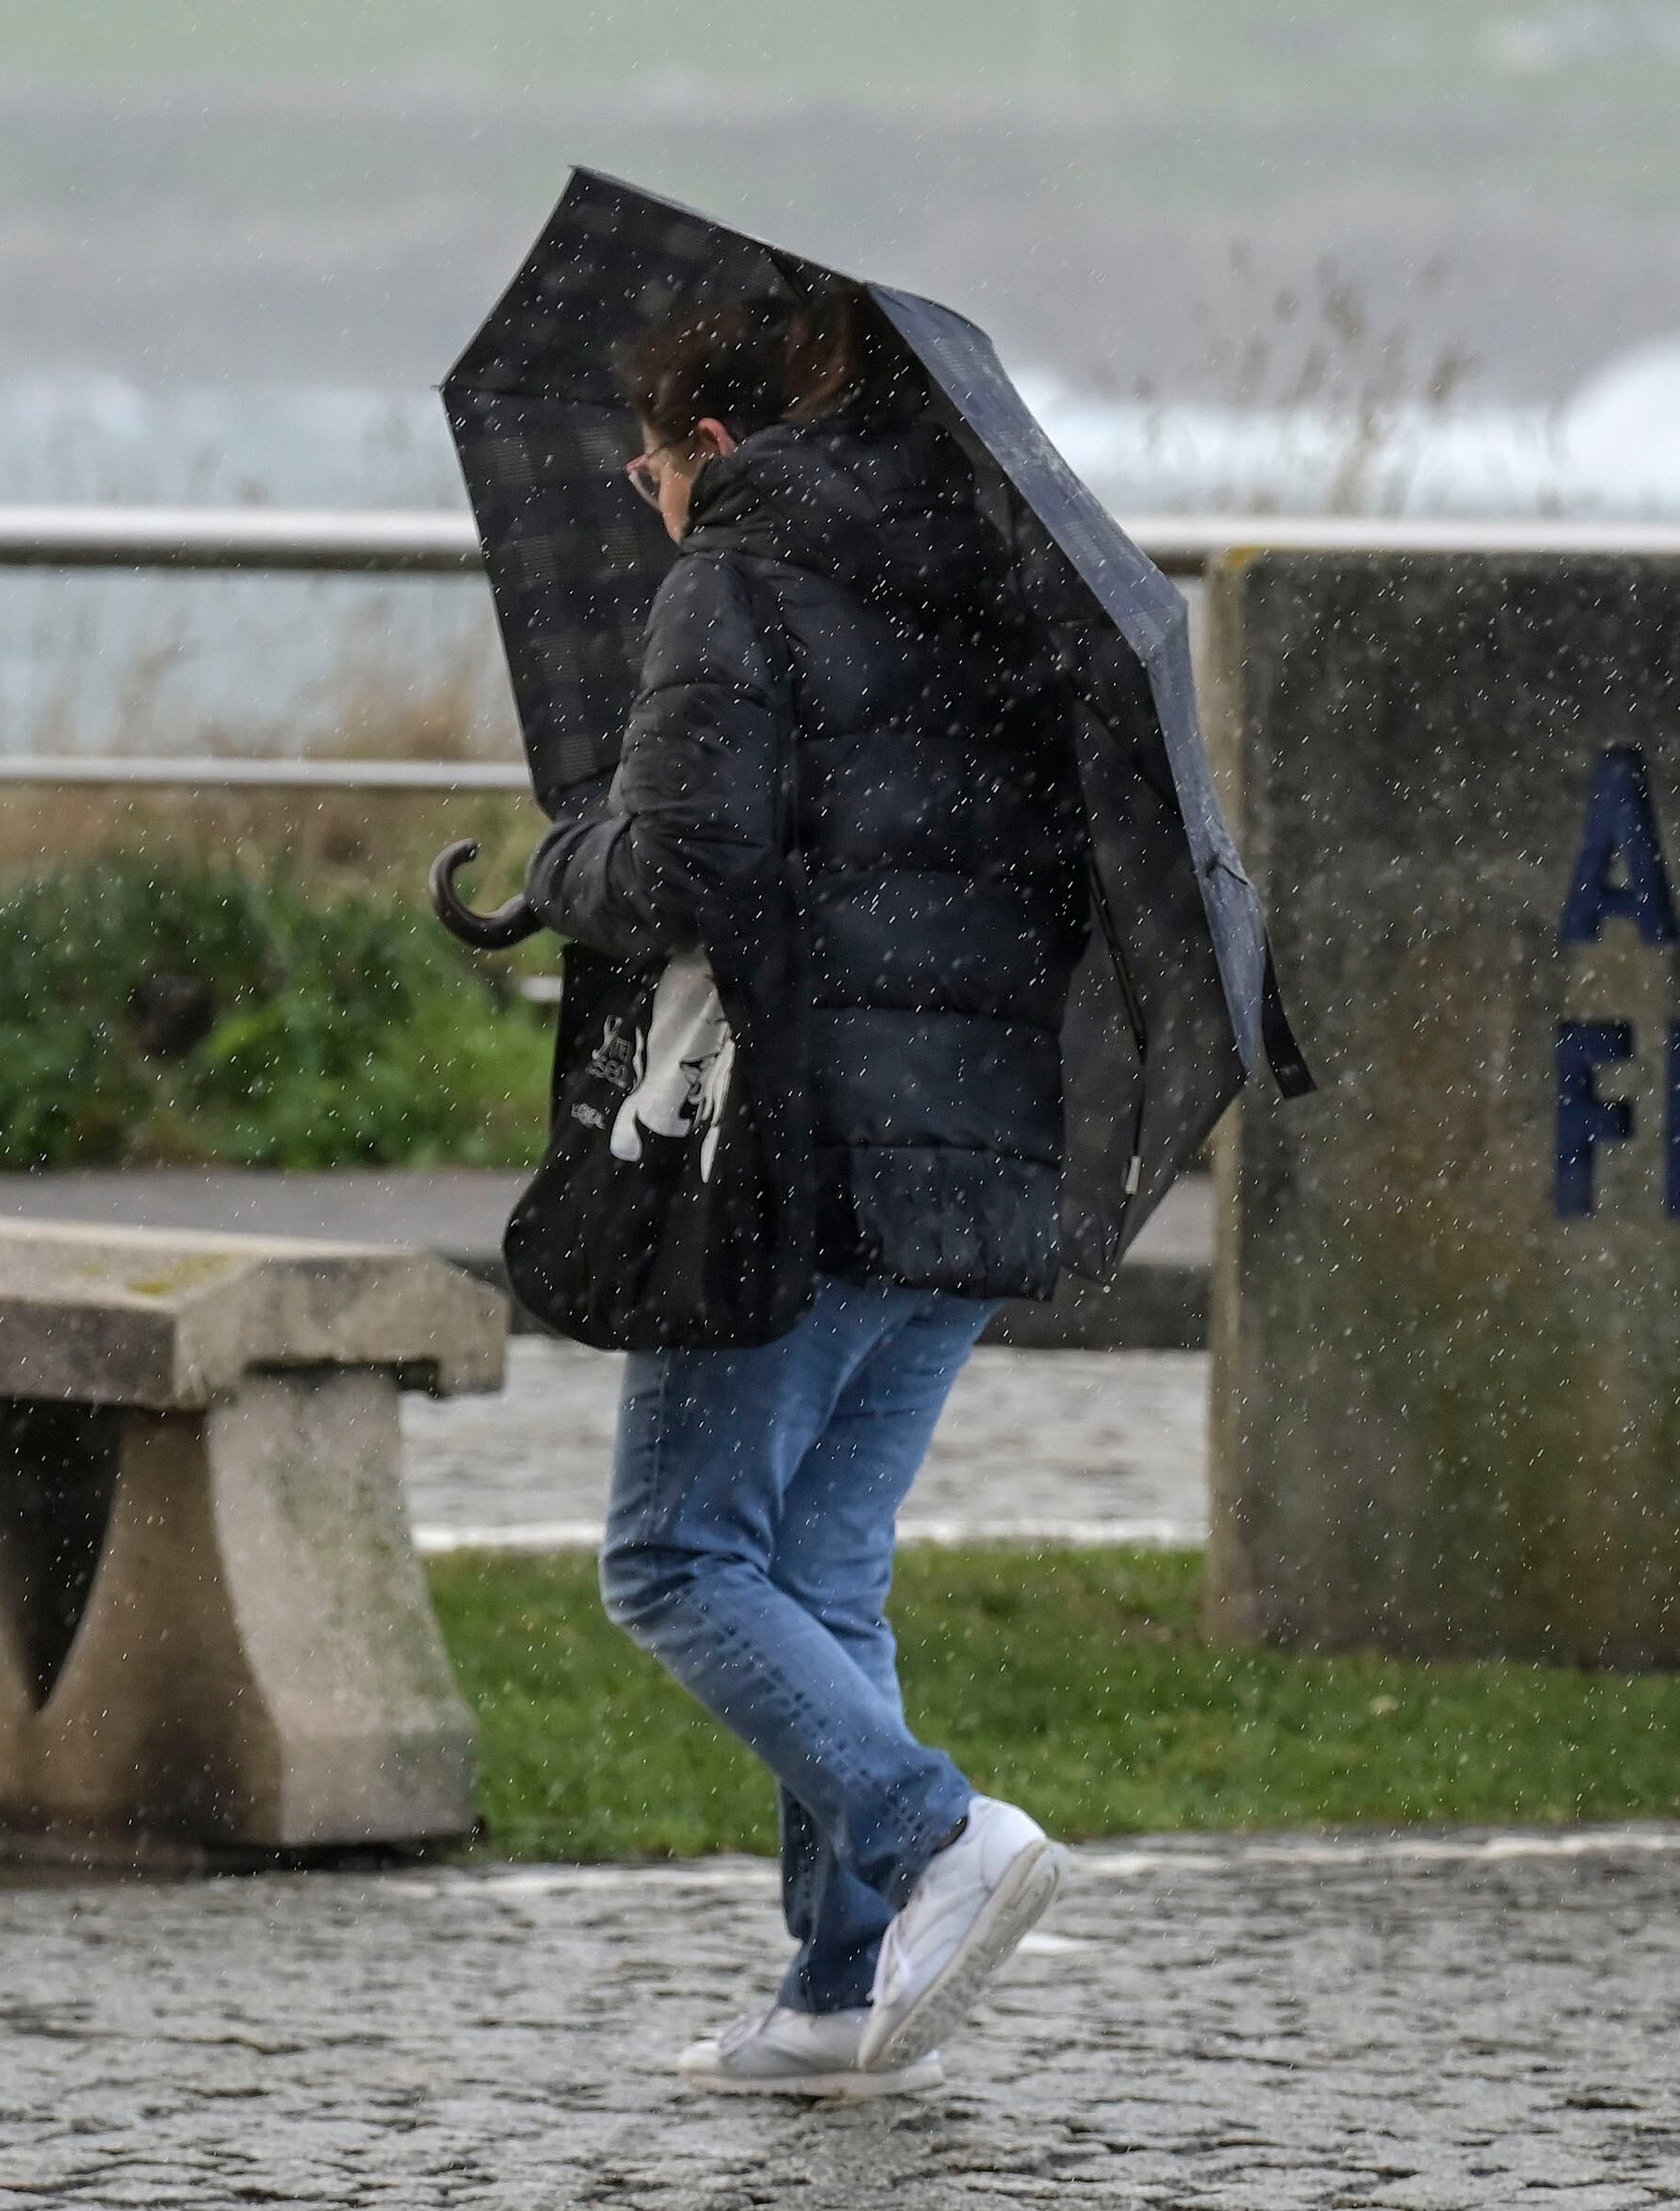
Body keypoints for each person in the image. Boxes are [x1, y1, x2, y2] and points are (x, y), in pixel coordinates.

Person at [520, 282, 1088, 2100]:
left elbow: (681, 861)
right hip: (981, 1145)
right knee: (821, 1564)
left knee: (677, 1553)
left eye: (644, 468)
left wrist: (552, 865)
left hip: (806, 1152)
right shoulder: (989, 580)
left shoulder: (742, 575)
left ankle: (935, 1835)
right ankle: (840, 1985)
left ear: (710, 446)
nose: (643, 501)